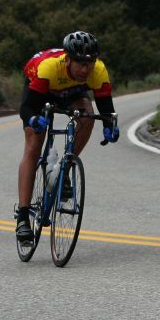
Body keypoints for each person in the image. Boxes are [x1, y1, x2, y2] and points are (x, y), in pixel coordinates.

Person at [15, 31, 120, 242]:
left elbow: (106, 110)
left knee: (87, 114)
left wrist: (110, 126)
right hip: (42, 90)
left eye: (90, 64)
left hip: (72, 92)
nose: (85, 69)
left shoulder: (98, 71)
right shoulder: (49, 67)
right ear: (68, 59)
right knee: (34, 145)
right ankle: (23, 217)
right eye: (80, 63)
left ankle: (65, 168)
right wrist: (33, 120)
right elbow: (27, 109)